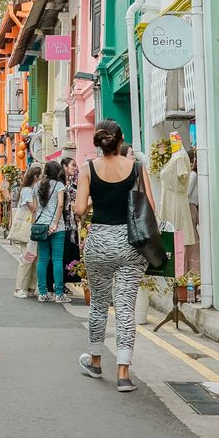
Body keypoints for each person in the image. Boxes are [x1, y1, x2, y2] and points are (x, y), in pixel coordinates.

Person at [74, 119, 154, 393]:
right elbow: (150, 206)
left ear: (99, 142)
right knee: (125, 307)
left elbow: (79, 209)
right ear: (120, 142)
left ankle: (96, 361)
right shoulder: (136, 168)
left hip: (99, 243)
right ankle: (123, 372)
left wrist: (96, 198)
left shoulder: (87, 169)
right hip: (130, 244)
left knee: (98, 304)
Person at [30, 160, 69, 304]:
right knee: (57, 260)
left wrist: (34, 225)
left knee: (42, 259)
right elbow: (60, 205)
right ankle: (59, 294)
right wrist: (55, 223)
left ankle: (43, 293)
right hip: (57, 228)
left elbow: (34, 209)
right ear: (58, 172)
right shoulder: (59, 185)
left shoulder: (37, 185)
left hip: (41, 226)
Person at [12, 164, 42, 298]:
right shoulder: (27, 191)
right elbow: (33, 208)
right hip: (27, 228)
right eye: (41, 176)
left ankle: (30, 287)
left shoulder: (31, 190)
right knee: (27, 258)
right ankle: (19, 288)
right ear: (36, 176)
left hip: (33, 228)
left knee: (34, 258)